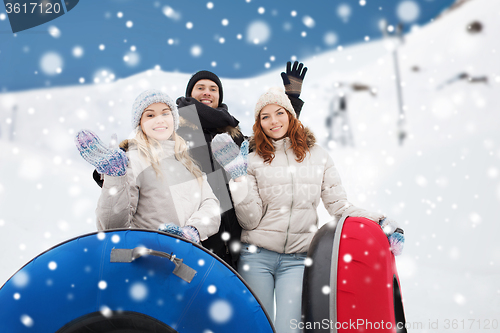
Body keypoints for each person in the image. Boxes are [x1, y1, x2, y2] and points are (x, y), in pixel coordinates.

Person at [210, 87, 404, 332]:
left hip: (297, 259)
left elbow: (339, 206)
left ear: (290, 115)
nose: (273, 121)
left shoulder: (318, 156)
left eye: (279, 112)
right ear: (259, 123)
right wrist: (238, 179)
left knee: (288, 329)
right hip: (256, 257)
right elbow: (250, 221)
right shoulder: (254, 158)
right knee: (257, 328)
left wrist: (379, 221)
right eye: (265, 116)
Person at [90, 62, 308, 269]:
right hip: (192, 229)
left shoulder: (232, 133)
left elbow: (269, 138)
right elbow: (144, 147)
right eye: (200, 87)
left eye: (213, 89)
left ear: (219, 96)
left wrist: (291, 102)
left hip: (233, 226)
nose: (207, 92)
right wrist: (110, 172)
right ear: (189, 93)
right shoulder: (176, 130)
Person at [75, 89, 220, 242]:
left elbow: (211, 205)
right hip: (148, 256)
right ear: (140, 123)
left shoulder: (189, 165)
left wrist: (193, 230)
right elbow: (111, 227)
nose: (160, 120)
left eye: (165, 113)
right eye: (150, 115)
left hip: (188, 258)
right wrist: (115, 178)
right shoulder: (134, 160)